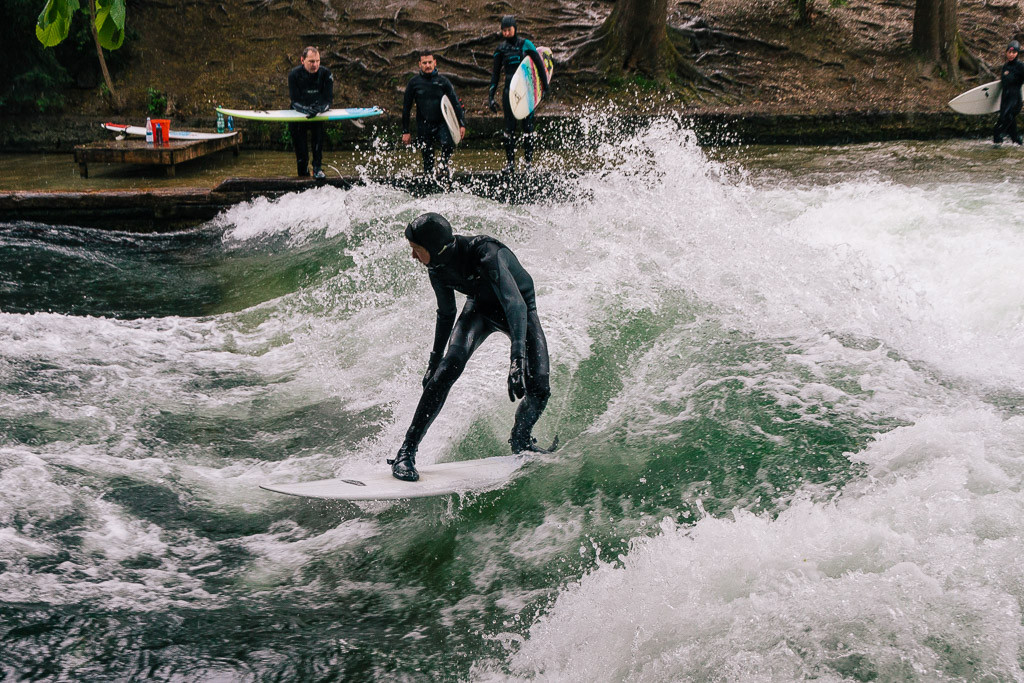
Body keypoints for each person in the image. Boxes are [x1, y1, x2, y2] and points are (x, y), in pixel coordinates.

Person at [389, 213, 553, 482]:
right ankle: (406, 453)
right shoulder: (437, 267)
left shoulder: (486, 252)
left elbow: (515, 304)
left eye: (417, 251)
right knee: (446, 370)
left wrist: (517, 358)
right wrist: (434, 362)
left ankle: (521, 439)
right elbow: (446, 313)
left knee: (540, 388)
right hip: (479, 310)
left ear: (434, 248)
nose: (414, 257)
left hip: (518, 311)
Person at [488, 15, 549, 173]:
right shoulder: (500, 49)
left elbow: (540, 66)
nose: (507, 33)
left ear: (515, 28)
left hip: (526, 91)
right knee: (509, 130)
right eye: (504, 31)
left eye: (509, 30)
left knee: (528, 128)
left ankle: (528, 164)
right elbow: (495, 74)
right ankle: (510, 164)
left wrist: (545, 87)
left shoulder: (526, 44)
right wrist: (491, 97)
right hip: (509, 92)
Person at [401, 51, 466, 177]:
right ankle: (429, 181)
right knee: (427, 158)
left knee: (448, 144)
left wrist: (461, 123)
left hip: (442, 122)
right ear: (419, 64)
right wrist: (405, 131)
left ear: (435, 63)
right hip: (424, 124)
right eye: (424, 63)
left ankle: (443, 166)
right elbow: (406, 108)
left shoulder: (443, 82)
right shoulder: (414, 83)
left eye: (430, 62)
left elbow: (455, 103)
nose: (427, 65)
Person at [288, 46, 333, 178]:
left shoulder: (326, 74)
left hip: (317, 116)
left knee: (317, 146)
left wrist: (319, 109)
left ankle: (317, 169)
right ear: (302, 60)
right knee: (301, 156)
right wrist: (307, 110)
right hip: (298, 117)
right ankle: (303, 176)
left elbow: (329, 101)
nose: (315, 65)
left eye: (318, 61)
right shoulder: (294, 75)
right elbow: (294, 101)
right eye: (311, 61)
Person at [994, 40, 1024, 145]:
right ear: (1006, 52)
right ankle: (1018, 143)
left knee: (999, 128)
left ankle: (1000, 148)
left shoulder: (1021, 66)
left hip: (1015, 101)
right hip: (1005, 100)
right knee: (1009, 129)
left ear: (1017, 54)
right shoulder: (1005, 66)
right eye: (1009, 52)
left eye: (1014, 52)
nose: (1011, 55)